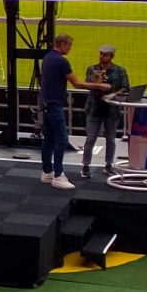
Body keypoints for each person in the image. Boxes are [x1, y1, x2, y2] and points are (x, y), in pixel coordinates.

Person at [38, 32, 99, 191]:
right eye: (69, 45)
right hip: (54, 105)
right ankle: (58, 175)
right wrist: (99, 86)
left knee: (49, 138)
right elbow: (77, 83)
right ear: (63, 45)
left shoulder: (47, 58)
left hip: (46, 103)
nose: (70, 49)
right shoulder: (61, 61)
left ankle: (47, 171)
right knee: (62, 139)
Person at [80, 44, 132, 181]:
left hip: (112, 109)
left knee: (111, 140)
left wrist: (112, 94)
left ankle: (109, 165)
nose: (101, 56)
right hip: (94, 107)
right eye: (101, 54)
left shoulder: (120, 71)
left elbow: (126, 88)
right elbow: (86, 84)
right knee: (90, 139)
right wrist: (96, 83)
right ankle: (85, 166)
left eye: (105, 54)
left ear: (111, 56)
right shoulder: (92, 69)